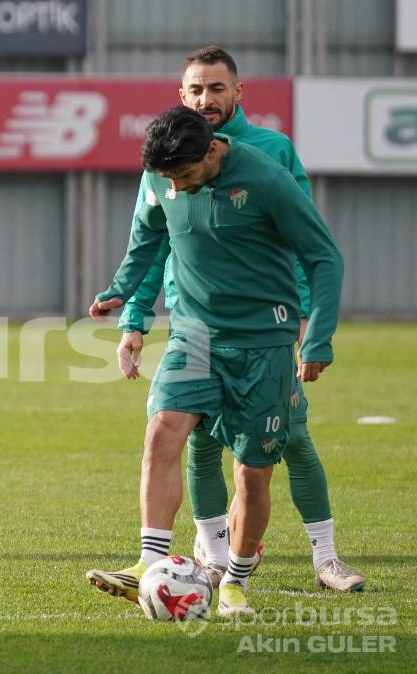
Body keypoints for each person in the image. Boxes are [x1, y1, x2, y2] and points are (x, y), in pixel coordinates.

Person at [114, 46, 364, 592]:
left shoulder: (272, 154)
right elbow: (150, 241)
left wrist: (305, 318)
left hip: (265, 328)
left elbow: (304, 242)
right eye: (196, 90)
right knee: (191, 442)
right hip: (194, 325)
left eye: (216, 88)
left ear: (238, 91)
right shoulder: (166, 155)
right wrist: (133, 317)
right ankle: (209, 561)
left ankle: (325, 556)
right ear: (182, 95)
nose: (206, 99)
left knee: (290, 439)